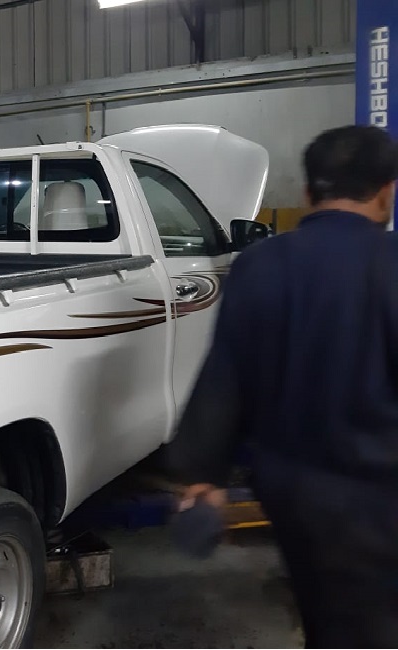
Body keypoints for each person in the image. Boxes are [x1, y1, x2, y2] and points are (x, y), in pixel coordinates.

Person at [166, 125, 398, 648]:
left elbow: (226, 377)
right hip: (381, 501)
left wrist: (202, 476)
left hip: (292, 497)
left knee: (326, 611)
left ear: (308, 192)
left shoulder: (259, 265)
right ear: (387, 192)